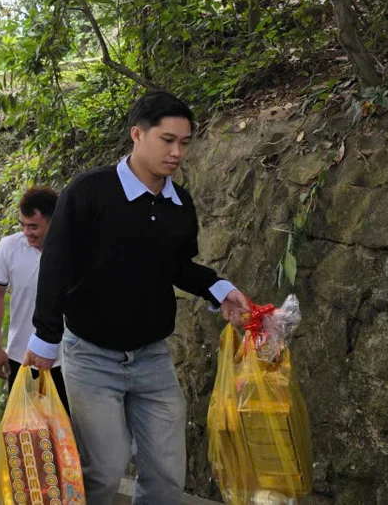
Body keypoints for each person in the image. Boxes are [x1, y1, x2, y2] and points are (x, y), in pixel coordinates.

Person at [24, 91, 253, 505]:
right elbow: (55, 265)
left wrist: (220, 289)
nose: (177, 152)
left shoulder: (179, 203)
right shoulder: (89, 192)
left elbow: (178, 265)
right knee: (104, 470)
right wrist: (44, 338)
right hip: (92, 358)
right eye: (167, 140)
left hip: (152, 359)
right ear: (137, 134)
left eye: (184, 142)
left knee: (167, 477)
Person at [0, 187, 67, 409]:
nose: (26, 232)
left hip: (68, 360)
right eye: (22, 225)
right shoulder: (9, 247)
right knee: (26, 434)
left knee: (67, 434)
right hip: (23, 357)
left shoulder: (72, 249)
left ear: (54, 221)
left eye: (34, 226)